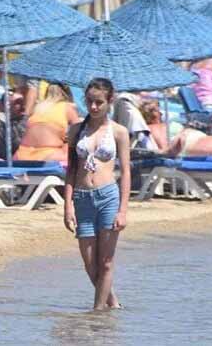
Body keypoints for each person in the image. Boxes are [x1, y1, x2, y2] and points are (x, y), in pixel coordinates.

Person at [63, 78, 130, 311]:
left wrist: (123, 211)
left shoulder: (119, 132)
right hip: (82, 198)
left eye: (99, 102)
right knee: (91, 265)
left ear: (110, 101)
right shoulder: (76, 131)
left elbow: (126, 172)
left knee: (106, 262)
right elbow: (71, 170)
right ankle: (113, 304)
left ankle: (98, 313)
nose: (93, 107)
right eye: (90, 101)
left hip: (108, 196)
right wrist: (68, 206)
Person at [14, 82, 80, 163]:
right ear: (67, 93)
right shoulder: (67, 107)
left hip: (21, 154)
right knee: (72, 144)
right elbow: (79, 130)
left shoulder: (37, 107)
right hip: (48, 154)